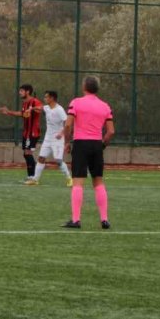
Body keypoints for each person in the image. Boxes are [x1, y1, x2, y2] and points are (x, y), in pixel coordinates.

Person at [62, 76, 115, 229]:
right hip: (97, 145)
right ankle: (104, 219)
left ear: (84, 86)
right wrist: (102, 145)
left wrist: (67, 142)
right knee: (98, 182)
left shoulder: (76, 103)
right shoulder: (105, 106)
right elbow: (111, 131)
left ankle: (76, 220)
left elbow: (68, 125)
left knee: (78, 182)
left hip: (81, 144)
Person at [25, 90, 71, 187]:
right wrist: (31, 109)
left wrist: (61, 133)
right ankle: (35, 179)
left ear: (52, 98)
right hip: (47, 139)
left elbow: (67, 124)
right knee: (41, 158)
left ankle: (69, 179)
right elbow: (40, 108)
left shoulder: (59, 110)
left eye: (46, 97)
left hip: (57, 139)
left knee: (58, 160)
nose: (44, 99)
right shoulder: (47, 107)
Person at [0, 84, 42, 181]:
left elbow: (41, 108)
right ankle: (30, 176)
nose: (20, 93)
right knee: (26, 154)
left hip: (33, 132)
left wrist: (33, 109)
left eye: (22, 91)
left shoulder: (34, 101)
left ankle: (33, 177)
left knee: (27, 153)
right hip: (26, 133)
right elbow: (22, 114)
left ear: (27, 92)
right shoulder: (25, 103)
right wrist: (8, 112)